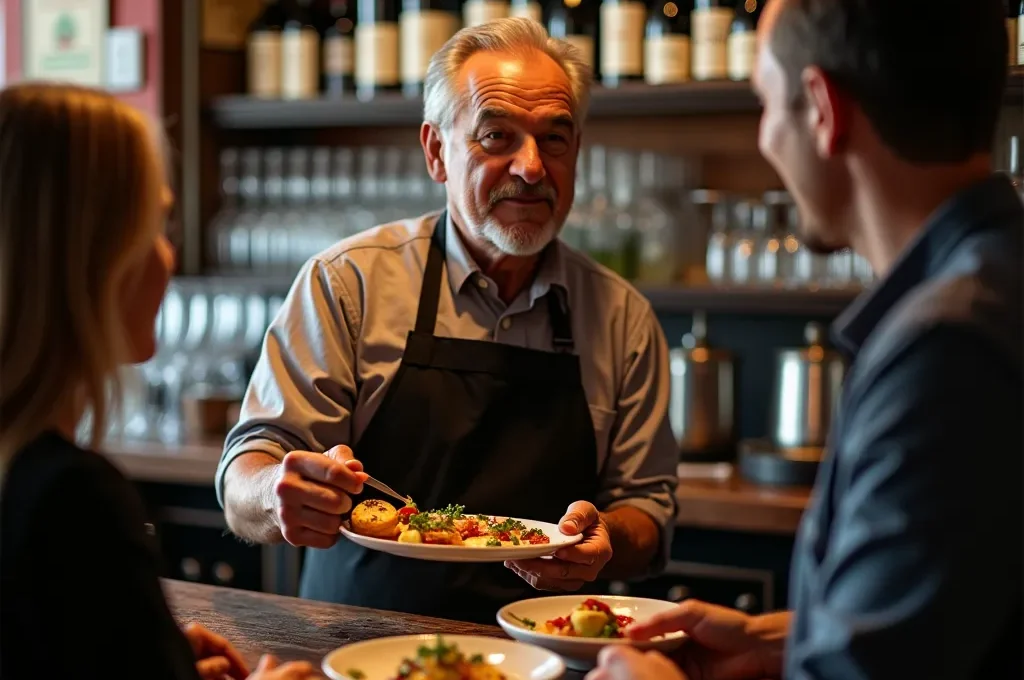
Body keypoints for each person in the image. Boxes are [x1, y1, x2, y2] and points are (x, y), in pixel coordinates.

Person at [587, 1, 1022, 679]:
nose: (764, 139)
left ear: (823, 109)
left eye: (766, 103)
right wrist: (789, 640)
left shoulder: (946, 347)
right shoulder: (995, 281)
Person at [216, 17, 679, 624]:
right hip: (355, 646)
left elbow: (647, 510)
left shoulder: (622, 318)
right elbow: (247, 472)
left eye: (555, 139)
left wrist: (608, 537)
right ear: (437, 151)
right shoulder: (347, 283)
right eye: (496, 136)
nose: (532, 167)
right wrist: (277, 493)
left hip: (545, 647)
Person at [0, 83, 320, 679]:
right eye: (155, 224)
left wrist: (153, 657)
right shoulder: (73, 499)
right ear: (96, 257)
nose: (167, 255)